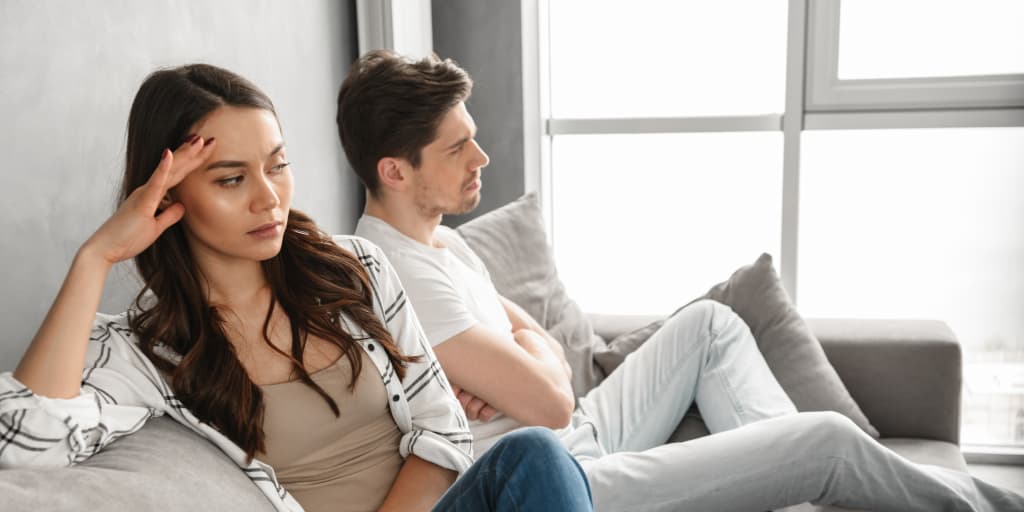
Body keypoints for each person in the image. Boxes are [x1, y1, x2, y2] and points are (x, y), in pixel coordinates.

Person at [338, 49, 1024, 512]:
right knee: (825, 439)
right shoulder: (399, 276)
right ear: (395, 170)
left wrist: (528, 356)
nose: (482, 157)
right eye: (458, 147)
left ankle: (797, 483)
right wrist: (531, 366)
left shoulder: (444, 241)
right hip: (565, 479)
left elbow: (539, 351)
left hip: (584, 426)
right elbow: (548, 406)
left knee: (710, 325)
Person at [0, 63, 594, 512]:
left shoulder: (356, 268)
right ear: (167, 192)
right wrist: (96, 257)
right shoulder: (149, 348)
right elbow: (26, 445)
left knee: (536, 455)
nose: (269, 198)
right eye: (231, 179)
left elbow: (442, 427)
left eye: (277, 165)